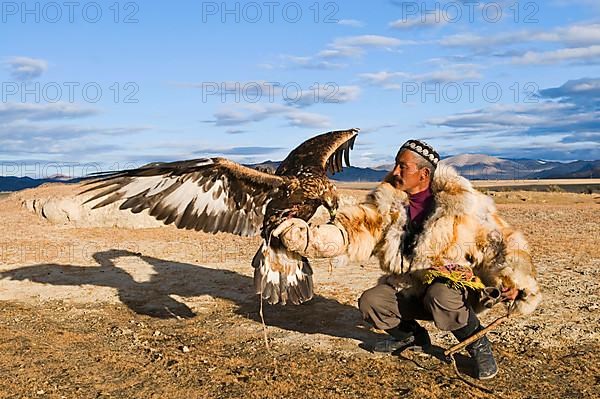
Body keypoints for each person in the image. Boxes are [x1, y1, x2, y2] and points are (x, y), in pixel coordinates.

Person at [273, 139, 541, 380]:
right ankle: (412, 337)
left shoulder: (465, 207)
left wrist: (515, 280)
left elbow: (505, 242)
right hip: (409, 286)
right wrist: (310, 238)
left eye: (403, 167)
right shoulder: (386, 204)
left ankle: (477, 344)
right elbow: (354, 228)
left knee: (441, 295)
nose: (396, 171)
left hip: (456, 292)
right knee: (372, 302)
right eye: (396, 165)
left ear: (423, 174)